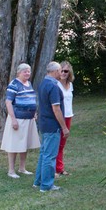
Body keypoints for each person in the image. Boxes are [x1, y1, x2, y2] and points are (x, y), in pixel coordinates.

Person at [33, 61, 69, 192]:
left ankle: (38, 181)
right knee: (50, 155)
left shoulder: (43, 83)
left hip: (44, 123)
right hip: (52, 125)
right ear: (54, 72)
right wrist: (64, 127)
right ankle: (47, 185)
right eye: (60, 71)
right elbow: (56, 108)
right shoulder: (53, 86)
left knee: (44, 154)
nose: (61, 73)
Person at [0, 63, 40, 178]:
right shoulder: (14, 84)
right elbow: (8, 102)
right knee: (14, 145)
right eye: (25, 71)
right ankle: (11, 171)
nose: (27, 73)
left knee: (24, 144)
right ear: (19, 72)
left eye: (28, 71)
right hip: (18, 118)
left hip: (29, 119)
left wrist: (34, 113)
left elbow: (31, 99)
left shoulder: (29, 83)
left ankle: (22, 168)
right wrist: (13, 120)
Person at [55, 60, 75, 176]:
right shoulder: (55, 84)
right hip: (59, 116)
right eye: (61, 70)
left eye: (66, 71)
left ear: (69, 72)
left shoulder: (70, 85)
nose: (63, 73)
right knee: (55, 143)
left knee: (62, 143)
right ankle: (54, 168)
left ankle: (60, 168)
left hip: (68, 115)